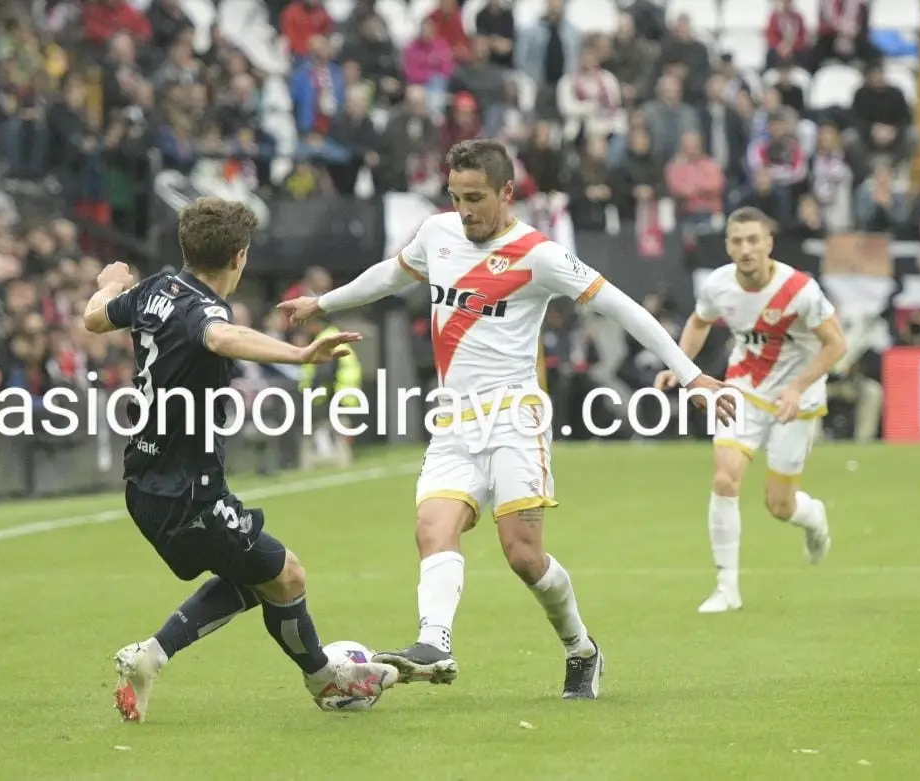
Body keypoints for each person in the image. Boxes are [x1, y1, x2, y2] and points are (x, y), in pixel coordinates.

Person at [279, 139, 736, 699]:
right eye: (456, 197)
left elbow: (624, 307)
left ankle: (581, 649)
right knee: (432, 527)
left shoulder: (538, 255)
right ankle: (434, 642)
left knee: (522, 555)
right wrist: (322, 304)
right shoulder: (437, 234)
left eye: (475, 198)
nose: (465, 209)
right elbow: (390, 275)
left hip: (515, 420)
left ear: (506, 193)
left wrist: (692, 376)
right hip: (453, 419)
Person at [82, 197, 400, 722]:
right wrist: (299, 353)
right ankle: (324, 679)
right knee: (289, 576)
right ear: (240, 258)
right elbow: (219, 334)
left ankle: (151, 657)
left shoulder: (155, 290)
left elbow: (95, 318)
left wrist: (111, 282)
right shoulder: (205, 309)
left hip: (144, 484)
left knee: (257, 578)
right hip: (192, 494)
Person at [654, 206, 847, 614]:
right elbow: (699, 322)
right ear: (727, 245)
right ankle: (727, 588)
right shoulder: (718, 285)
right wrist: (681, 368)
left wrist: (797, 388)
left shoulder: (800, 291)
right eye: (737, 241)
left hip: (797, 401)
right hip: (742, 388)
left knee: (780, 506)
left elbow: (836, 345)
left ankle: (813, 517)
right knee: (725, 478)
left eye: (753, 240)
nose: (745, 249)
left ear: (769, 243)